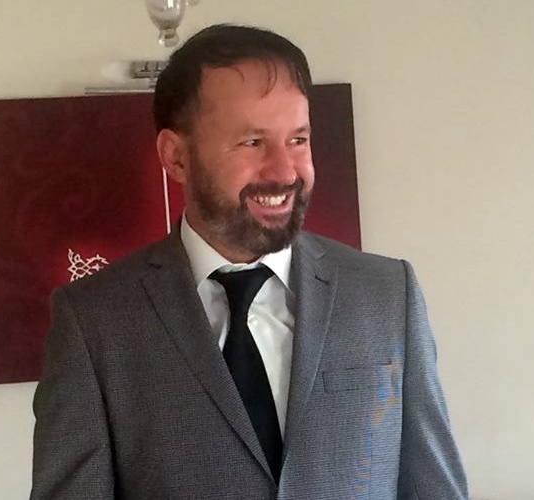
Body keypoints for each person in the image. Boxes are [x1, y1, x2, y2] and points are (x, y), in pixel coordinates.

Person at [31, 24, 468, 499]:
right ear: (176, 157)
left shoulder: (386, 293)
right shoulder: (94, 321)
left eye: (298, 140)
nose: (284, 171)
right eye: (252, 142)